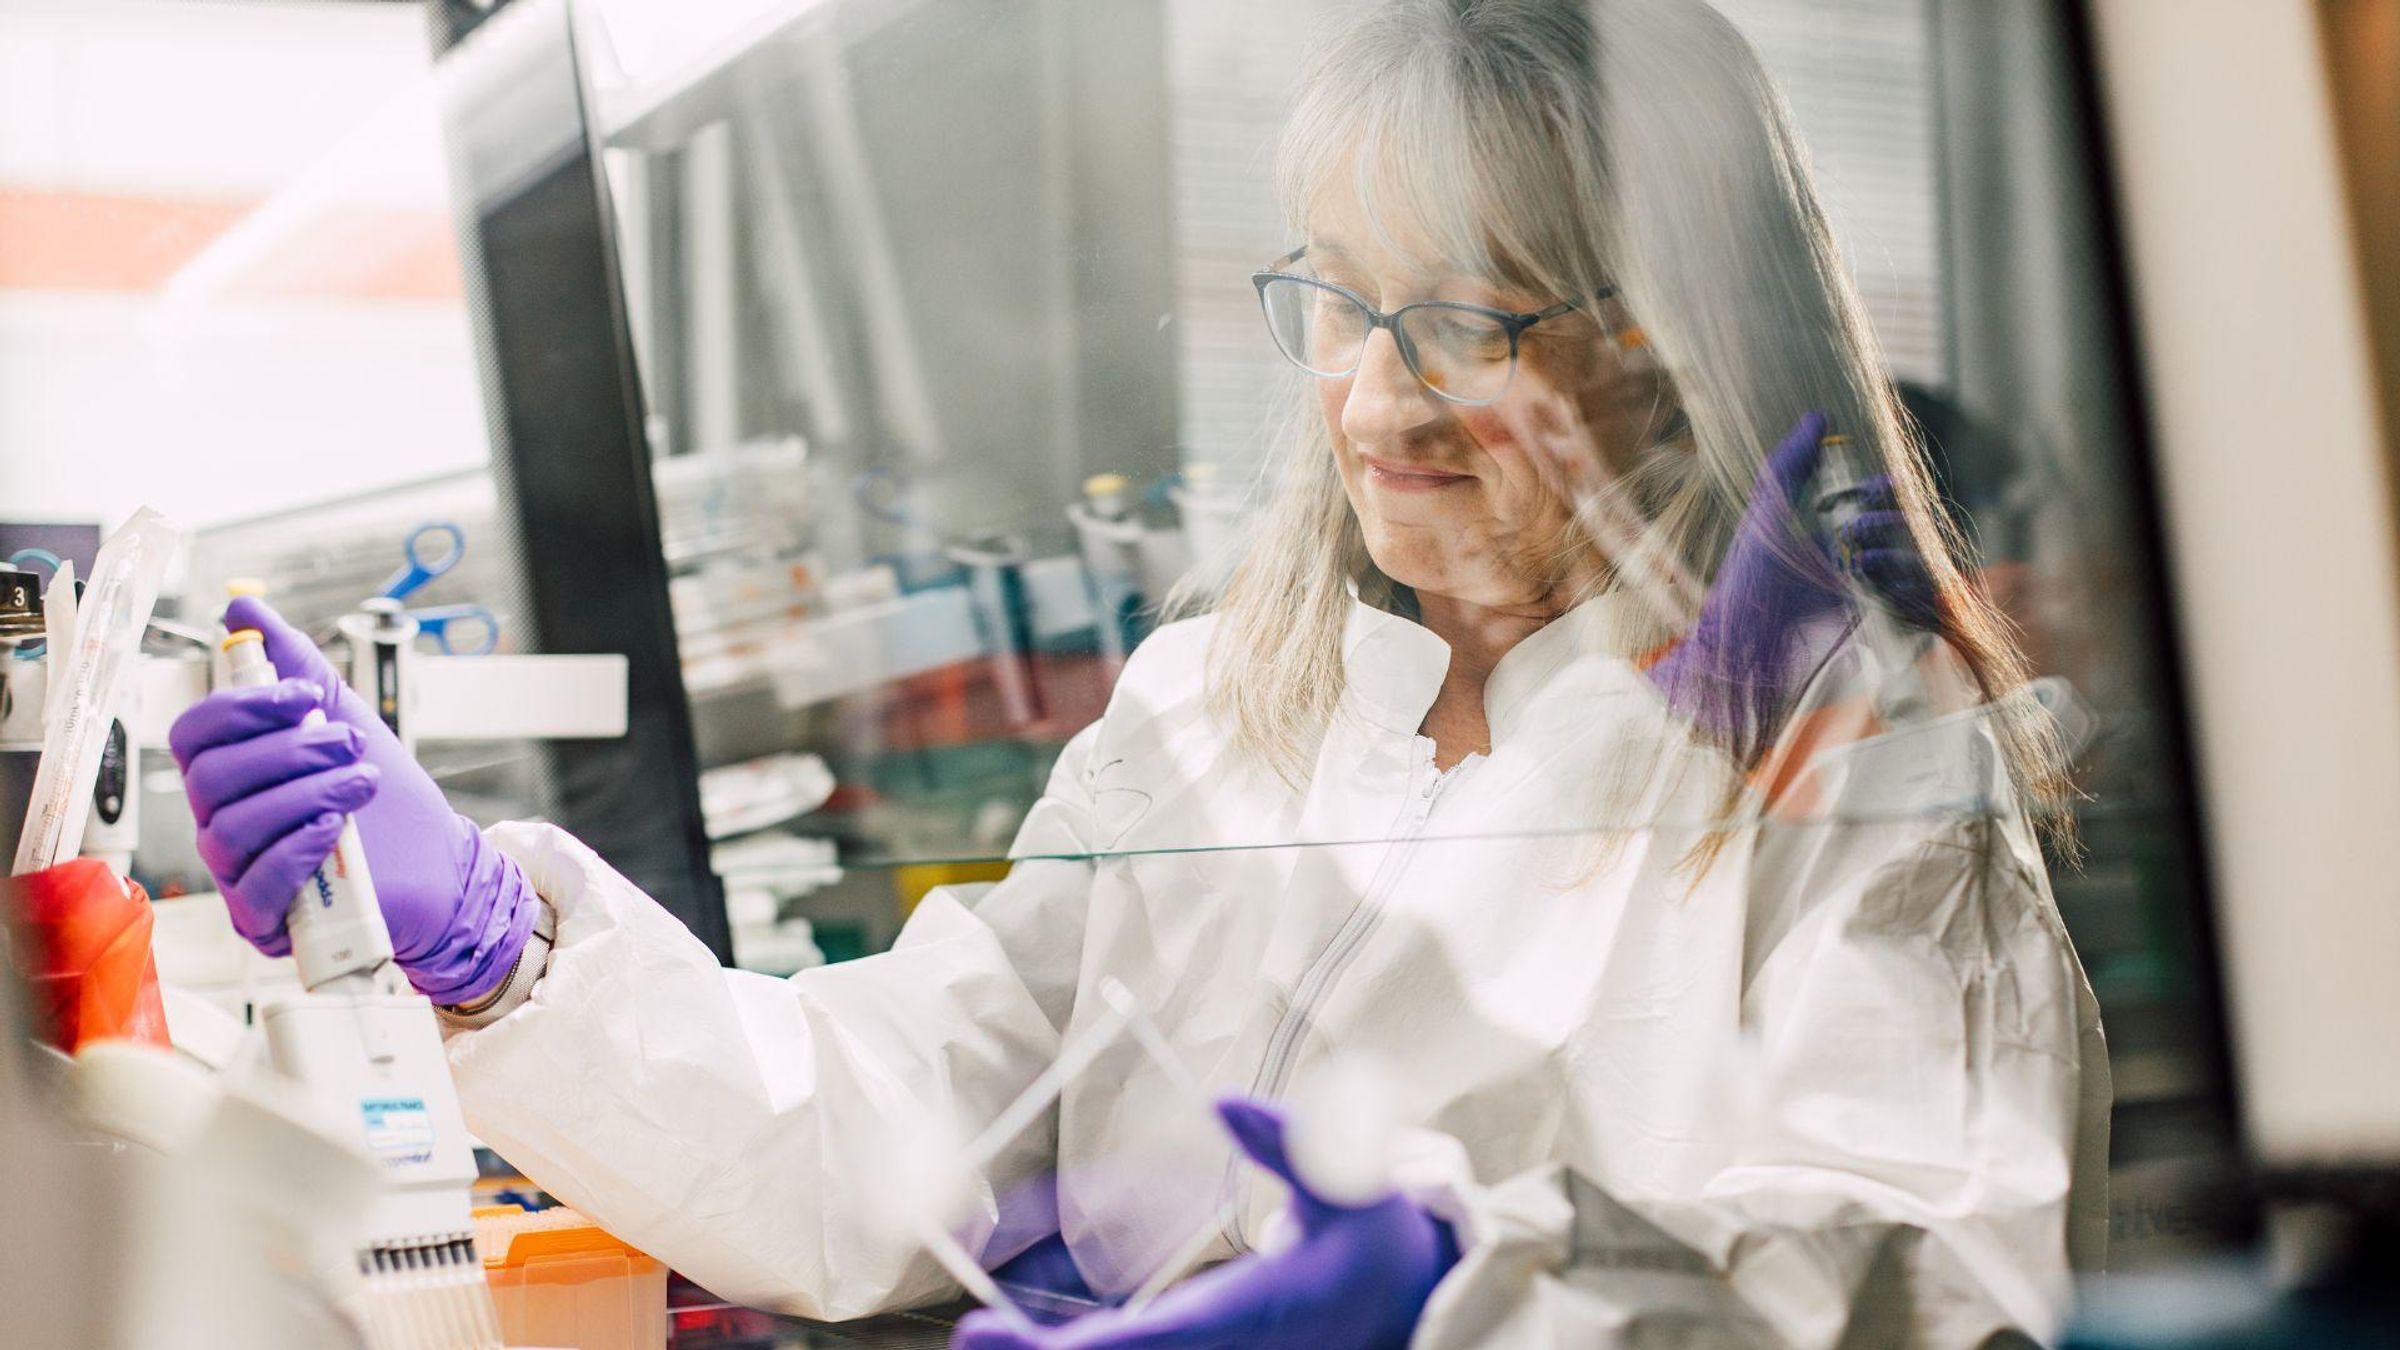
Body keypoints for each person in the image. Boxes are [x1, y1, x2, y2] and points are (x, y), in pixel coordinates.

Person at [169, 1, 2107, 1345]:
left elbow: (1924, 1276)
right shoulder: (1216, 711)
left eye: (1463, 317)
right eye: (1339, 301)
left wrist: (1445, 1292)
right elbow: (901, 1143)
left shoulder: (1854, 753)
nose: (1372, 394)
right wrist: (505, 945)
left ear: (1670, 343)